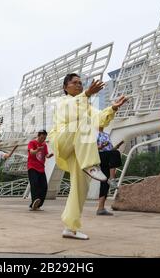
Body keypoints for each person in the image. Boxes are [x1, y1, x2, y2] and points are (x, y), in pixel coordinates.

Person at [48, 73, 128, 240]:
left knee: (80, 187)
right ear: (65, 87)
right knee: (83, 122)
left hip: (78, 149)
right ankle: (91, 164)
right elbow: (71, 112)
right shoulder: (62, 102)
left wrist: (112, 108)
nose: (79, 85)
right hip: (63, 140)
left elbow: (99, 119)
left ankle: (70, 227)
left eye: (80, 83)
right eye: (75, 83)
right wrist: (87, 94)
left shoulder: (86, 105)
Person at [96, 127, 123, 216]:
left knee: (104, 181)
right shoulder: (93, 134)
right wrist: (101, 146)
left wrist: (115, 147)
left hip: (106, 156)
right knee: (116, 153)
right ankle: (112, 178)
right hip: (99, 155)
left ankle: (100, 208)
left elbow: (109, 148)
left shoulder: (106, 134)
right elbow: (90, 148)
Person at [27, 130, 54, 211]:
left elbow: (46, 154)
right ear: (38, 136)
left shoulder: (44, 145)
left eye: (44, 138)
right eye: (42, 138)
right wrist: (37, 150)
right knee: (34, 184)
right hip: (32, 167)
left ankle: (38, 204)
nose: (43, 140)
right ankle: (34, 202)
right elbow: (31, 152)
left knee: (44, 186)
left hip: (41, 168)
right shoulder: (32, 143)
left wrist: (49, 155)